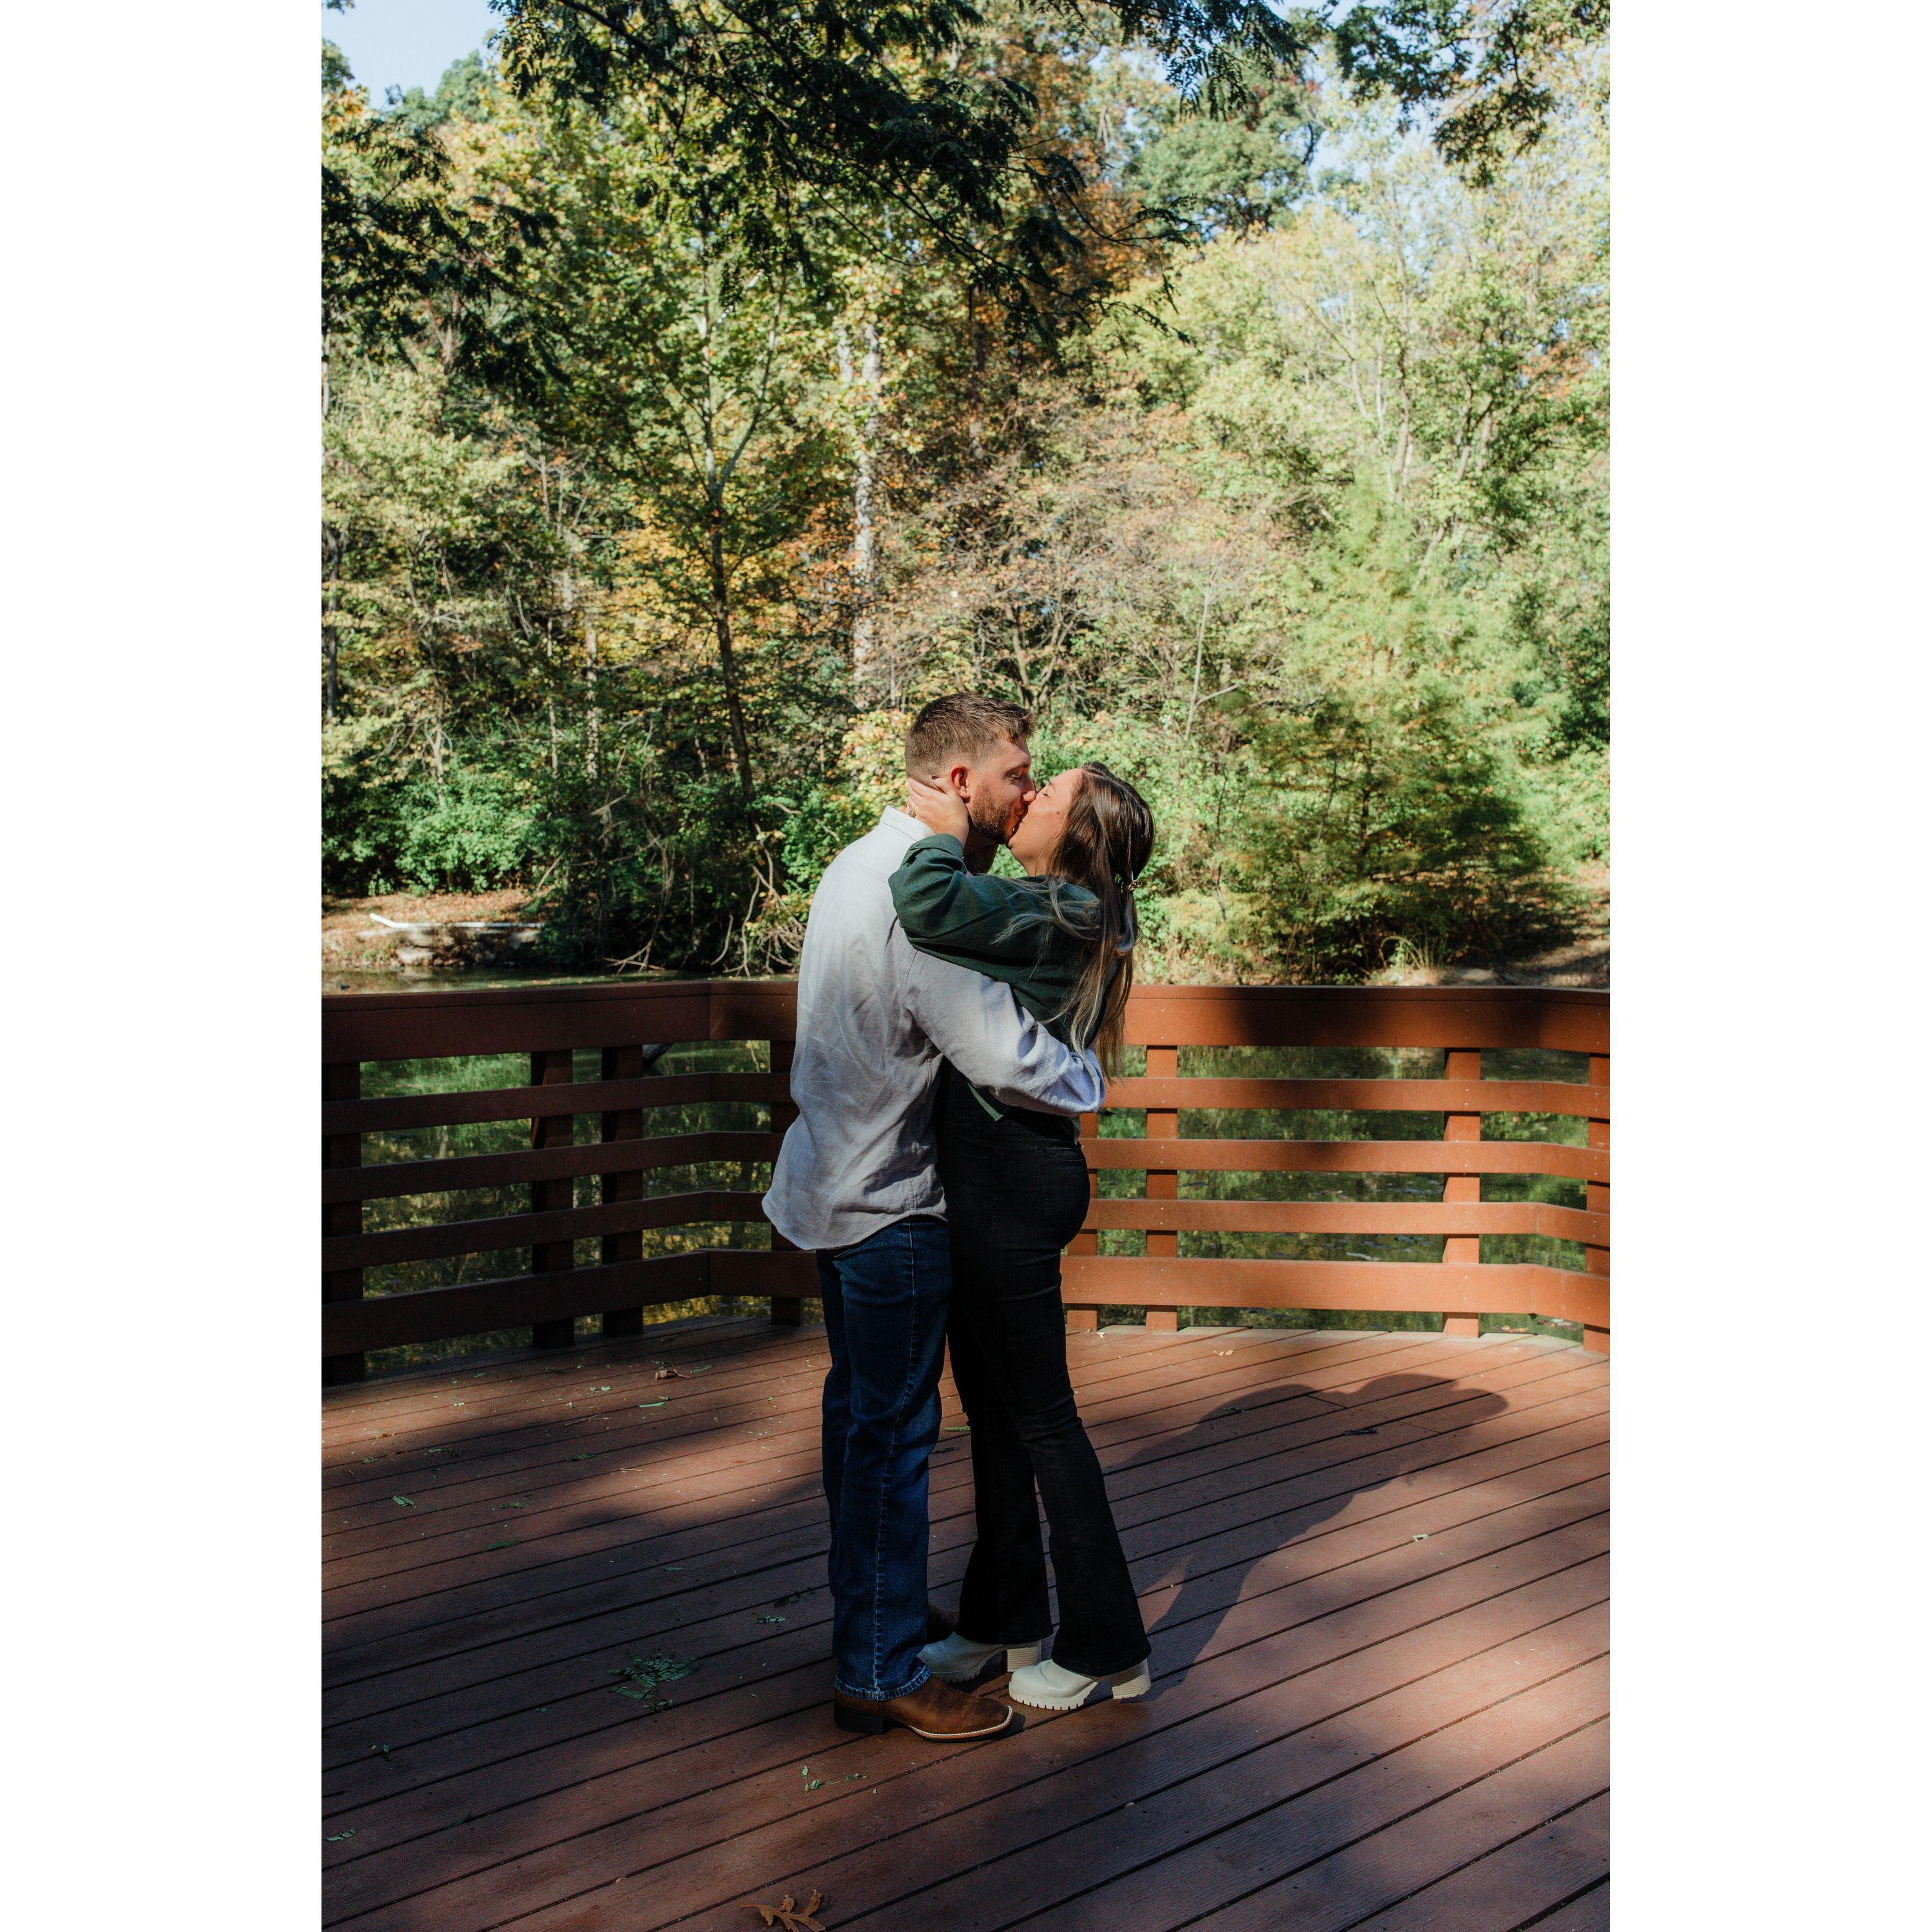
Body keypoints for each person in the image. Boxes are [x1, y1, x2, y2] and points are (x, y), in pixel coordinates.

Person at [762, 693, 1104, 1743]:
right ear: (960, 780)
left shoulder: (852, 864)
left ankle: (878, 1623)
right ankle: (878, 1671)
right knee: (892, 1441)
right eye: (1016, 772)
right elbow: (999, 1051)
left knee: (859, 1424)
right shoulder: (926, 896)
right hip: (891, 1200)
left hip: (828, 1181)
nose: (1024, 790)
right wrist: (1088, 1081)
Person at [891, 755, 1159, 1711]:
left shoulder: (1064, 910)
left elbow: (927, 904)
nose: (1030, 794)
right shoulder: (1060, 907)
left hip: (1010, 1182)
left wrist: (940, 832)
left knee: (1041, 1414)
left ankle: (1105, 1646)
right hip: (994, 1179)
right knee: (998, 1412)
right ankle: (1001, 1617)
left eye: (1050, 792)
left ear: (1077, 832)